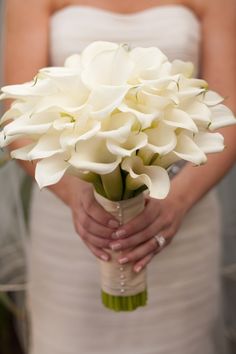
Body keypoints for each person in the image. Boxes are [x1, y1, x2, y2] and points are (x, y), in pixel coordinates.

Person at [3, 0, 236, 353]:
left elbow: (228, 112)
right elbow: (17, 119)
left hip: (180, 214)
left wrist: (177, 202)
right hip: (70, 225)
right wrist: (75, 195)